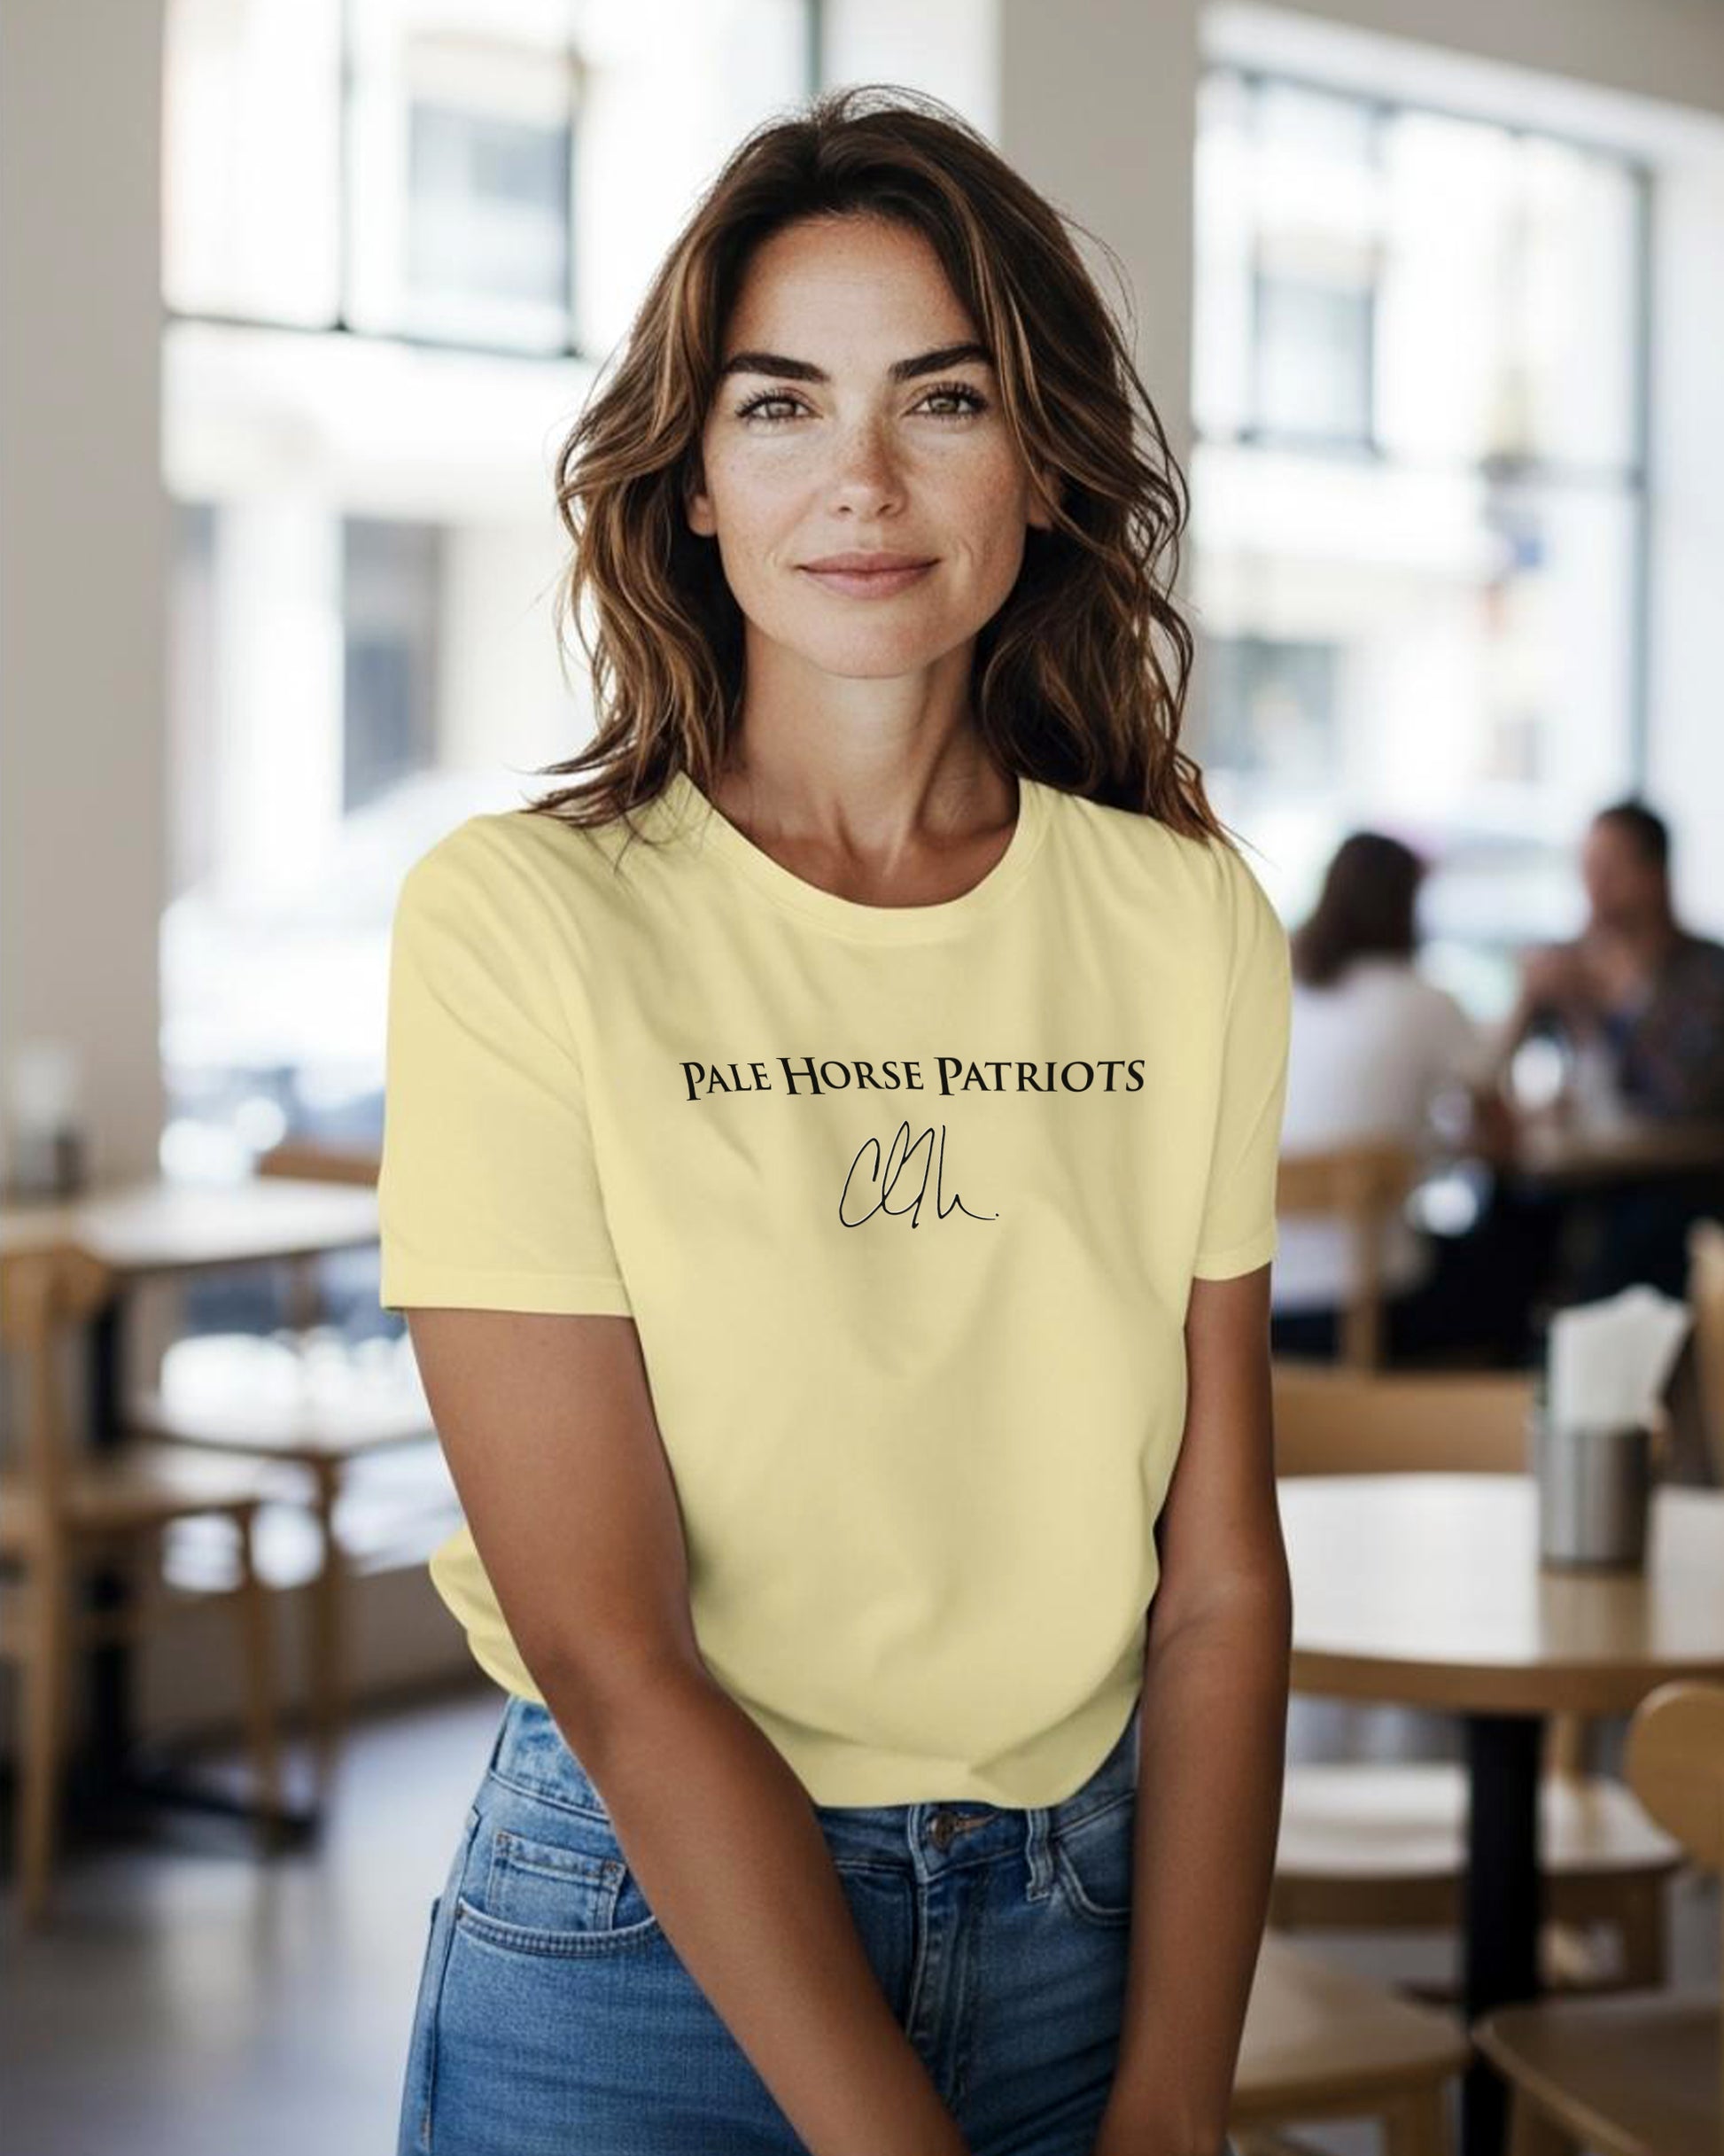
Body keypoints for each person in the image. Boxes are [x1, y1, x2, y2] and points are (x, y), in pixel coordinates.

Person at [379, 85, 1286, 2156]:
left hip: (1086, 1913)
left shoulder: (1179, 919)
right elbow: (615, 1650)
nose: (862, 481)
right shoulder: (523, 923)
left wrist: (1173, 2104)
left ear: (1041, 457)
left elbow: (1218, 1579)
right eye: (780, 407)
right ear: (691, 479)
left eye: (942, 401)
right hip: (644, 1934)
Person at [1270, 831, 1509, 1363]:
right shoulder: (1424, 999)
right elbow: (1503, 1134)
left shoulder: (1274, 987)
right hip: (1375, 1296)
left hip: (1255, 1295)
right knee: (1512, 1258)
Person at [1492, 798, 1724, 1302]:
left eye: (1609, 869)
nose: (1594, 886)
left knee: (1633, 1235)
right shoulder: (1570, 963)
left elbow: (1682, 1098)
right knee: (1501, 1222)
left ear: (1655, 872)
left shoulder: (1707, 972)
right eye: (1587, 869)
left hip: (1682, 1183)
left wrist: (1614, 1007)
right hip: (1579, 1177)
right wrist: (1526, 1003)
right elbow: (1488, 1078)